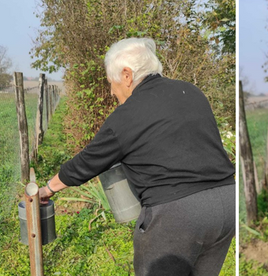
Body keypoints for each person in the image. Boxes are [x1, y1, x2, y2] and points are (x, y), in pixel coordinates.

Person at [38, 37, 235, 276]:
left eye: (112, 82)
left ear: (127, 75)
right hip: (226, 204)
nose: (111, 91)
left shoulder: (127, 115)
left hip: (177, 216)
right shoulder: (191, 92)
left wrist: (48, 189)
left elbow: (86, 163)